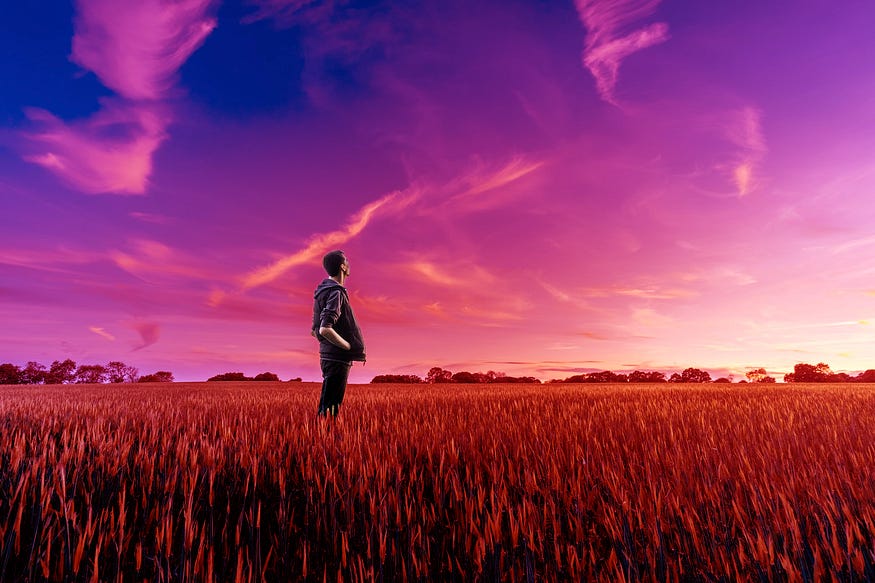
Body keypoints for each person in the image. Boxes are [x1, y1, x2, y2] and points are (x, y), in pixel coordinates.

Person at [312, 250, 366, 417]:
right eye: (347, 262)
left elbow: (314, 331)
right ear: (343, 267)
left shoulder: (322, 292)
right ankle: (325, 440)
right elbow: (324, 328)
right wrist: (347, 346)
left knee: (327, 405)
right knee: (331, 408)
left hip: (328, 356)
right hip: (337, 358)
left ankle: (321, 436)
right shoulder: (336, 292)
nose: (349, 265)